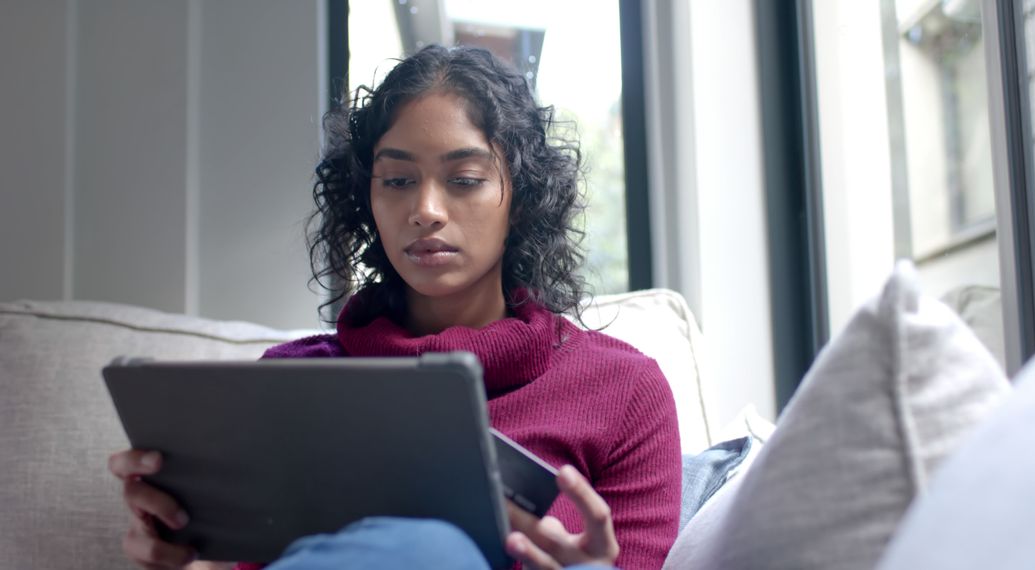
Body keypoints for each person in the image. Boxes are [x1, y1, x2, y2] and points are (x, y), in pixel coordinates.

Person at [107, 44, 682, 569]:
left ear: (523, 198)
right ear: (367, 199)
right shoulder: (290, 383)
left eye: (464, 179)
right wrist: (187, 561)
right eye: (398, 180)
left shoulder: (624, 391)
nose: (426, 209)